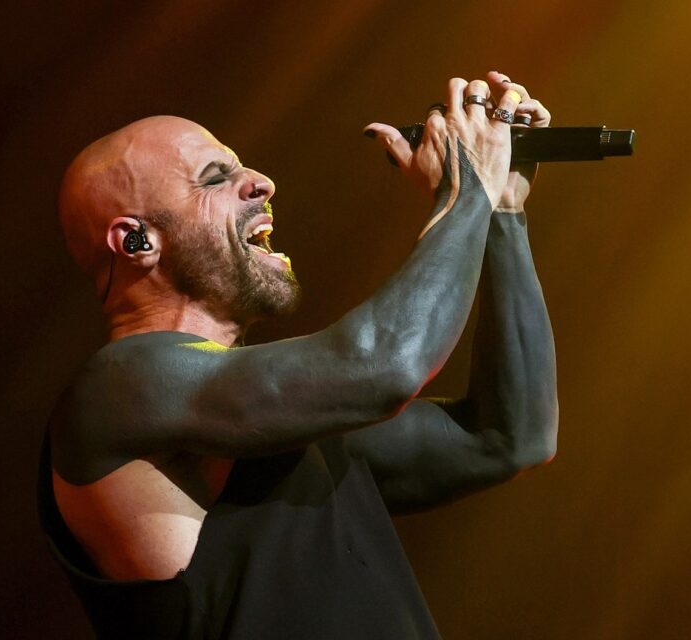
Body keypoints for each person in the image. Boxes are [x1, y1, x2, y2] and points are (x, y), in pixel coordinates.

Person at [38, 71, 558, 639]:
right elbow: (384, 366)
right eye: (216, 178)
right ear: (136, 241)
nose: (262, 183)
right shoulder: (116, 392)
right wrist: (468, 190)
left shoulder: (274, 419)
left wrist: (502, 211)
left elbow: (508, 438)